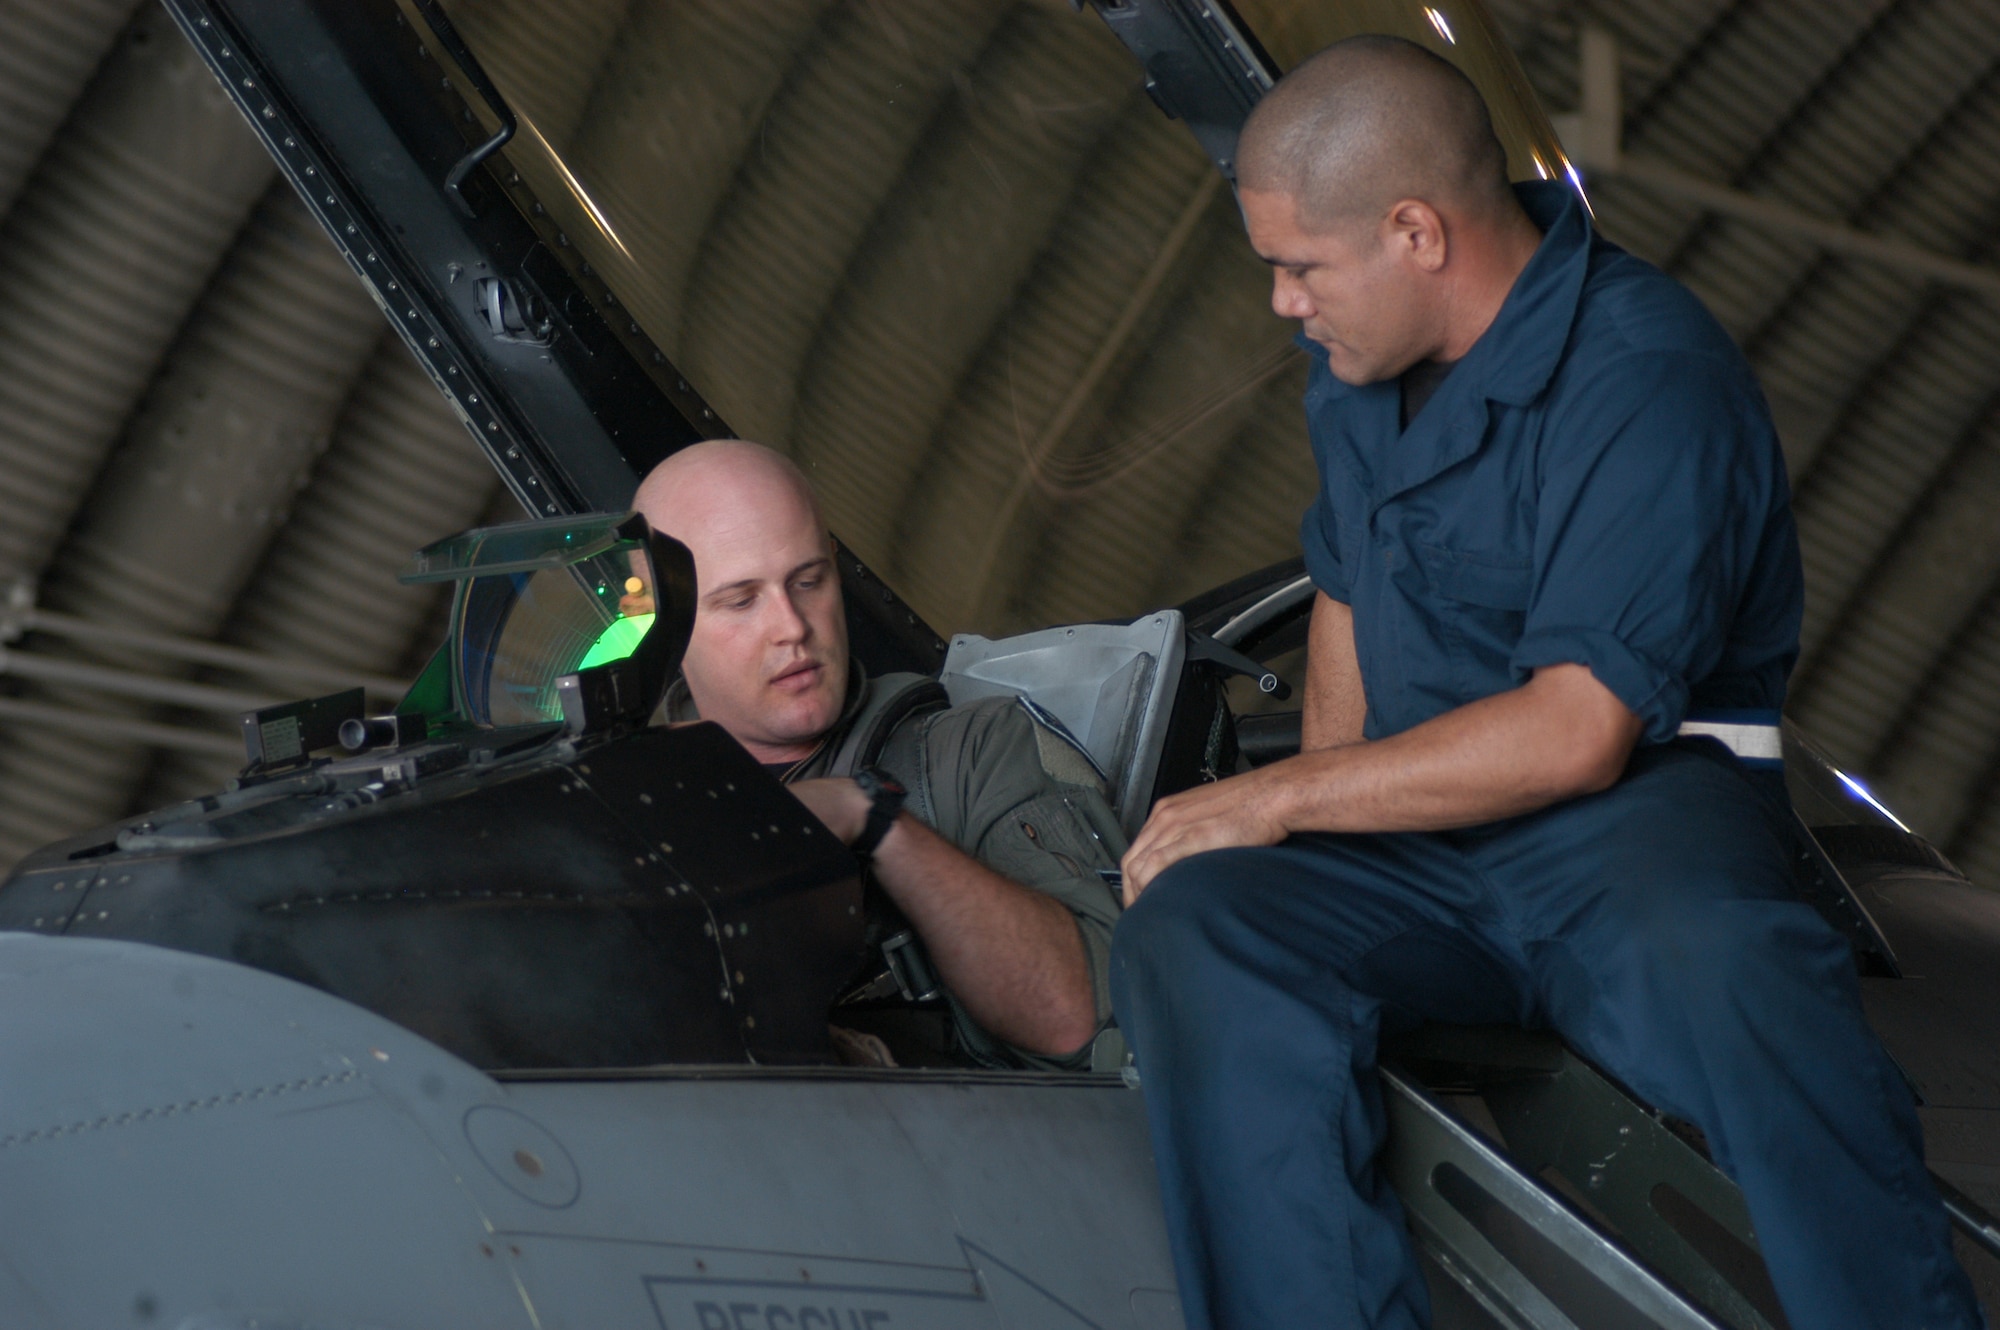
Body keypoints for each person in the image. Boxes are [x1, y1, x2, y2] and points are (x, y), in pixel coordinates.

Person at [1108, 35, 1980, 1330]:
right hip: (1426, 836)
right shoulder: (1357, 376)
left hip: (1631, 826)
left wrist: (1280, 799)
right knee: (1207, 922)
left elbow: (1578, 730)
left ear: (1415, 232)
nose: (1285, 302)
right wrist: (1305, 814)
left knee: (1737, 975)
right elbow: (1346, 591)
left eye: (1299, 267)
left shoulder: (1647, 375)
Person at [627, 439, 1124, 1070]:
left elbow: (1083, 1021)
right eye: (741, 600)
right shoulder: (628, 795)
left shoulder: (968, 756)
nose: (792, 626)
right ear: (660, 614)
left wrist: (875, 819)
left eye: (809, 581)